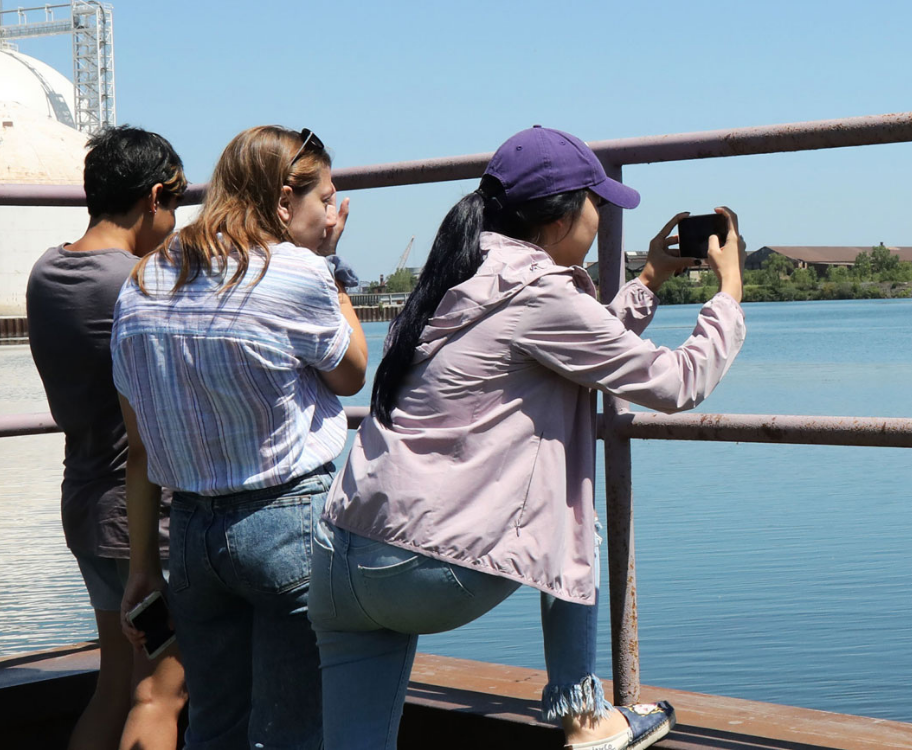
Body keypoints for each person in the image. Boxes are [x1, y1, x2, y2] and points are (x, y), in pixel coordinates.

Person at [308, 126, 748, 750]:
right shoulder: (538, 290)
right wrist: (729, 291)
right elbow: (677, 382)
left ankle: (587, 715)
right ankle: (585, 717)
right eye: (597, 203)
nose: (600, 218)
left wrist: (648, 277)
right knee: (571, 513)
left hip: (340, 559)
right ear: (561, 214)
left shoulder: (458, 274)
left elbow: (570, 348)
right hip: (425, 573)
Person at [112, 125, 368, 749]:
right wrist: (327, 261)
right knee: (292, 733)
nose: (331, 213)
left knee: (214, 727)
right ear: (284, 201)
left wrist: (143, 567)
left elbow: (140, 446)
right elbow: (353, 371)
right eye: (324, 200)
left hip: (193, 538)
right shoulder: (296, 272)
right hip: (286, 526)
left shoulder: (141, 282)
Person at [26, 125, 188, 750]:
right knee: (159, 694)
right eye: (174, 205)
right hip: (145, 527)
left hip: (88, 506)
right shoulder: (139, 285)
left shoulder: (49, 270)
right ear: (153, 197)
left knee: (116, 684)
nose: (175, 221)